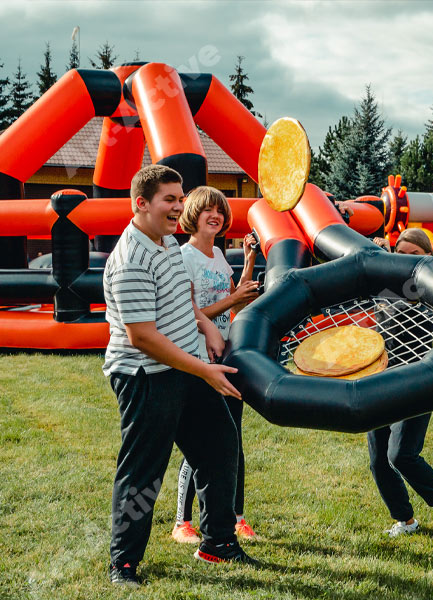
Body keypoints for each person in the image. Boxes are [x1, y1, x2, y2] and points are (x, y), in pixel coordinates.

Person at [103, 165, 259, 586]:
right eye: (169, 199)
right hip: (147, 375)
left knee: (221, 447)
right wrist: (203, 369)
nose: (178, 206)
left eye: (180, 197)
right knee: (144, 471)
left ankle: (218, 543)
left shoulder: (166, 242)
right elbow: (143, 337)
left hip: (188, 366)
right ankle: (124, 563)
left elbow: (181, 301)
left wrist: (206, 325)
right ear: (142, 203)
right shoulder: (130, 258)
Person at [171, 186, 260, 545]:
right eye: (207, 209)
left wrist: (249, 260)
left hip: (225, 356)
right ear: (192, 215)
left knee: (231, 439)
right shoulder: (184, 257)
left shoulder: (220, 257)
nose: (216, 215)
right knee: (202, 443)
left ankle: (236, 518)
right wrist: (233, 299)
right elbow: (188, 314)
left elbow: (233, 303)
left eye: (220, 210)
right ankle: (183, 522)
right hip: (197, 358)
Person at [368, 228, 433, 539]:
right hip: (379, 378)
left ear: (427, 257)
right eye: (402, 254)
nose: (407, 261)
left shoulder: (430, 287)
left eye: (415, 255)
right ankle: (405, 520)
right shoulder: (386, 283)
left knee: (402, 454)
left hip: (416, 381)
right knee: (379, 460)